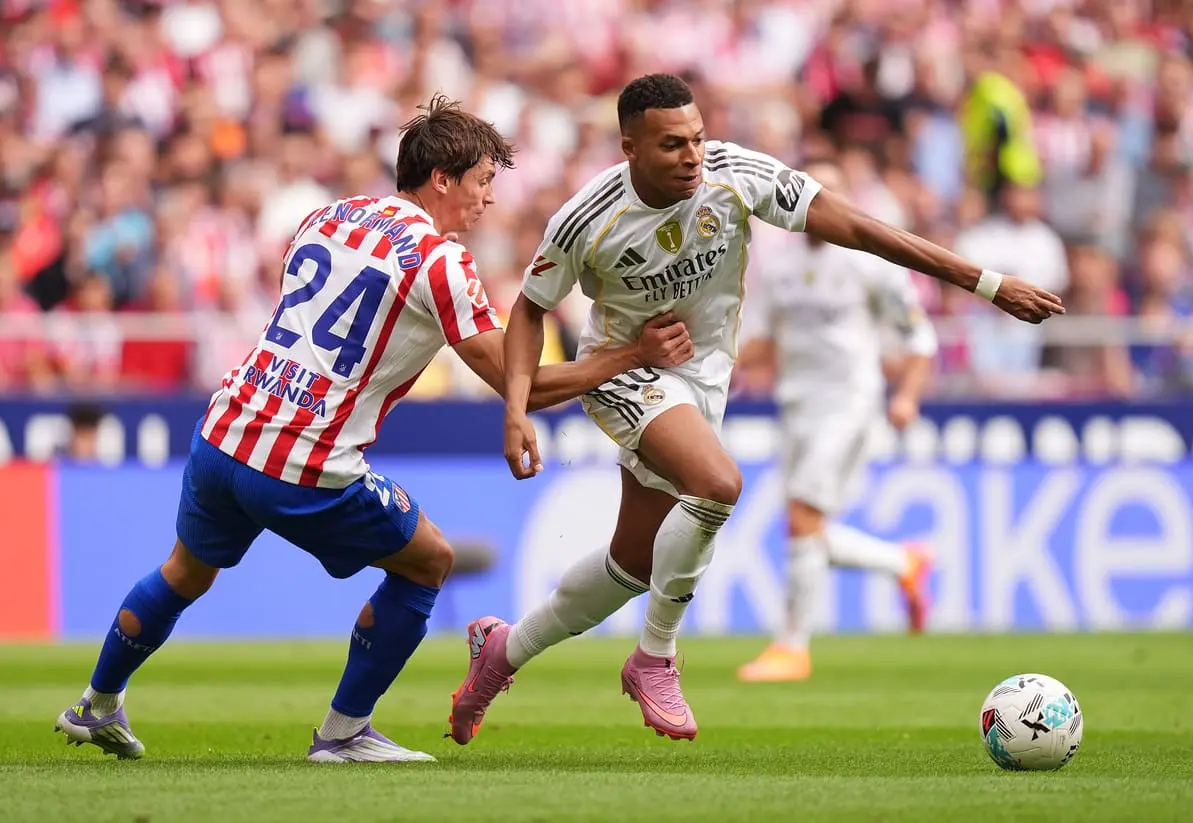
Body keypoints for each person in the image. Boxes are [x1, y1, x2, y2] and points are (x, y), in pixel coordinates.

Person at [54, 96, 694, 763]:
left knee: (185, 569)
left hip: (225, 428)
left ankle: (95, 704)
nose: (488, 201)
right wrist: (629, 354)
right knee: (429, 560)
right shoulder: (439, 261)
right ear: (441, 179)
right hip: (304, 459)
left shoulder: (327, 215)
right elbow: (517, 377)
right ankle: (342, 733)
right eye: (481, 182)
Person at [448, 73, 1062, 745]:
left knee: (633, 563)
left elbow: (857, 225)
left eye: (698, 139)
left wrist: (986, 282)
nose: (691, 155)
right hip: (627, 370)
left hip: (702, 380)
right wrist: (515, 408)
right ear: (629, 147)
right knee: (717, 484)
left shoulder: (736, 175)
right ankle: (655, 656)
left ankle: (501, 652)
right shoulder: (586, 218)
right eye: (672, 144)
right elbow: (530, 310)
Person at [733, 158, 938, 683]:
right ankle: (904, 564)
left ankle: (792, 647)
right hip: (796, 404)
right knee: (806, 529)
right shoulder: (778, 266)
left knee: (802, 515)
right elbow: (761, 340)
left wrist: (907, 397)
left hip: (849, 402)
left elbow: (918, 335)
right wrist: (716, 368)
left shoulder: (871, 263)